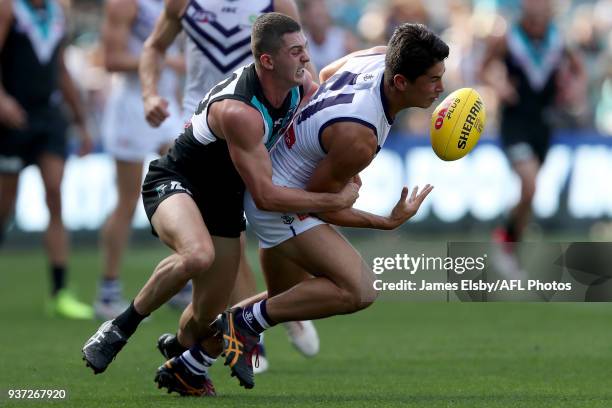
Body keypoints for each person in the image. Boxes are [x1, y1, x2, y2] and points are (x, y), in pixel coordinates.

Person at [82, 13, 360, 397]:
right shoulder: (240, 111)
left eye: (305, 50)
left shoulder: (299, 87)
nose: (305, 59)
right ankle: (118, 329)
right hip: (178, 181)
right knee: (197, 255)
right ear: (267, 61)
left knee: (200, 320)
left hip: (225, 201)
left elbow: (329, 103)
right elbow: (264, 195)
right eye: (296, 52)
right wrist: (334, 199)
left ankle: (180, 356)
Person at [213, 22, 444, 389]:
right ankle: (242, 323)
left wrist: (320, 129)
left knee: (285, 298)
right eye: (433, 80)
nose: (440, 89)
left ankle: (189, 356)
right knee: (359, 290)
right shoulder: (359, 138)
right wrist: (385, 222)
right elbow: (322, 206)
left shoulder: (379, 58)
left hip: (282, 175)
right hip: (281, 201)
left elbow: (327, 72)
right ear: (400, 82)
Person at [140, 0, 321, 372]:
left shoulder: (276, 3)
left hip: (268, 118)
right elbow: (154, 46)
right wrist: (149, 94)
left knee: (281, 216)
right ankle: (254, 327)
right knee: (229, 228)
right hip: (206, 123)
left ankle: (280, 304)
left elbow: (300, 56)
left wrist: (311, 107)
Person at [0, 0, 93, 318]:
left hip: (49, 118)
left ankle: (59, 292)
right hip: (12, 120)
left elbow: (61, 68)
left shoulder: (57, 11)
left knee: (55, 194)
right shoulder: (8, 8)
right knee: (4, 205)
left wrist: (81, 120)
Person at [93, 0, 184, 320]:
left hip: (166, 104)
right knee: (127, 199)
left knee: (187, 187)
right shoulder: (124, 4)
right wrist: (166, 62)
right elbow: (111, 59)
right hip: (131, 108)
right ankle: (108, 289)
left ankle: (182, 279)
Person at [481, 0, 585, 259]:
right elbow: (485, 68)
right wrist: (499, 84)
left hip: (544, 123)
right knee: (530, 185)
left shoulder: (558, 38)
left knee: (529, 194)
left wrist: (573, 89)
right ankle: (506, 241)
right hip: (515, 121)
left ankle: (509, 242)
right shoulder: (508, 38)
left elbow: (578, 70)